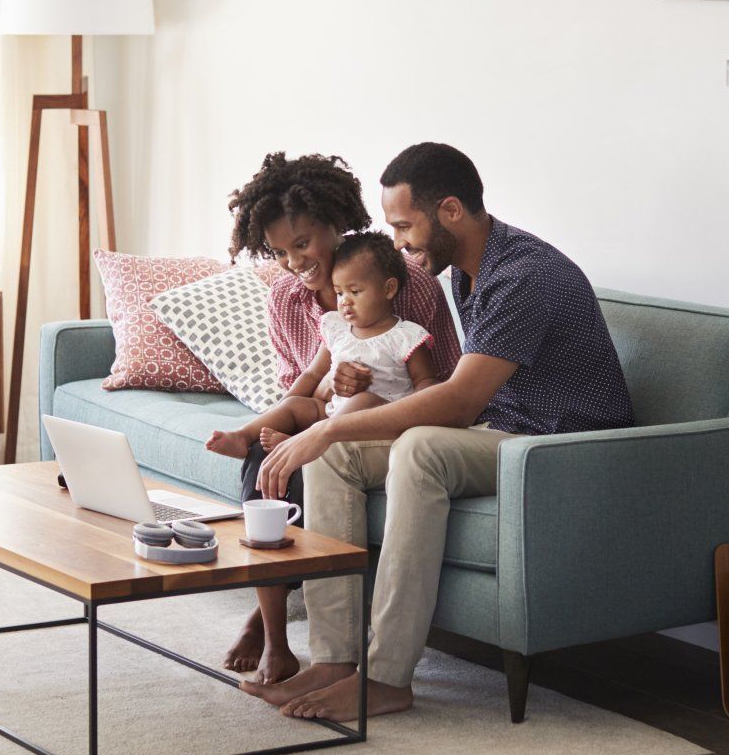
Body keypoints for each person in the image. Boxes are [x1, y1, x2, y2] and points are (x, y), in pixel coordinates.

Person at [245, 142, 635, 721]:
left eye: (404, 226)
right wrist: (330, 432)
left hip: (560, 447)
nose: (398, 243)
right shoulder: (469, 274)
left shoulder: (524, 275)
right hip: (503, 433)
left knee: (418, 448)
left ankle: (386, 679)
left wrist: (323, 430)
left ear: (450, 210)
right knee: (333, 457)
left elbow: (455, 402)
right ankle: (335, 660)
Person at [219, 153, 462, 684]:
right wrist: (329, 390)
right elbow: (300, 386)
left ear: (336, 224)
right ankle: (276, 639)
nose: (294, 263)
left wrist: (356, 395)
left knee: (310, 458)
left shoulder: (408, 285)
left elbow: (438, 383)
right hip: (322, 413)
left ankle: (268, 620)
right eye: (280, 252)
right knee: (266, 458)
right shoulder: (284, 296)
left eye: (303, 244)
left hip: (387, 419)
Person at [207, 231, 440, 458]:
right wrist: (284, 406)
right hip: (333, 412)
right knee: (297, 405)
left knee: (364, 399)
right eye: (339, 293)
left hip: (380, 420)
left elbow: (426, 381)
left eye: (355, 292)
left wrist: (415, 414)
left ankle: (302, 442)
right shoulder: (337, 328)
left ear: (389, 289)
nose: (345, 302)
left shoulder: (406, 336)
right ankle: (242, 436)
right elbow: (312, 374)